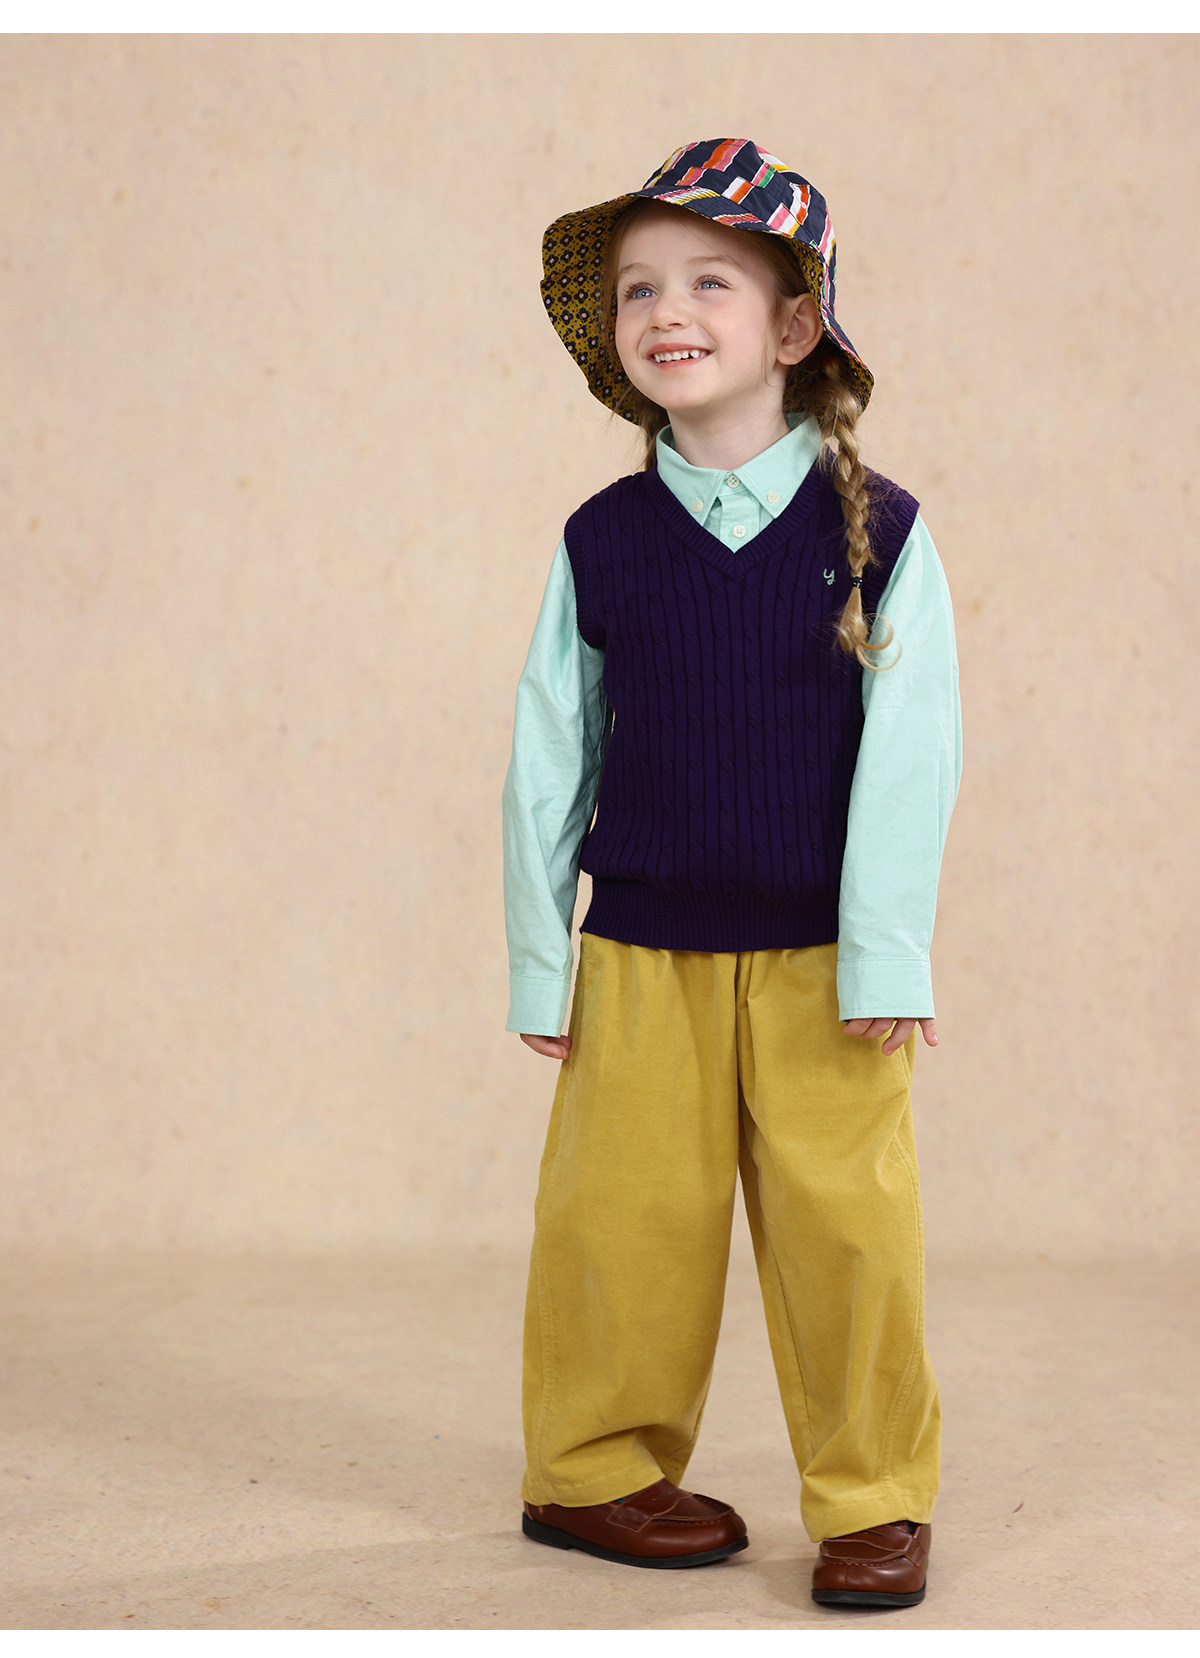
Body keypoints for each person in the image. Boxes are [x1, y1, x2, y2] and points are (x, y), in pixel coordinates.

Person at [501, 137, 962, 1611]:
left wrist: (887, 954)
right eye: (639, 288)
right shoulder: (603, 539)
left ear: (793, 324)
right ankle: (592, 1471)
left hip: (828, 965)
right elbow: (548, 757)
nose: (666, 311)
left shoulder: (882, 533)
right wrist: (543, 960)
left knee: (851, 1234)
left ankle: (874, 1496)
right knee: (619, 1223)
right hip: (640, 954)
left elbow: (912, 760)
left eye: (710, 281)